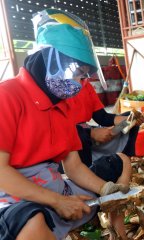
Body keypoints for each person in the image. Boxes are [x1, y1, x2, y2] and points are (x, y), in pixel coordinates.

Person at [0, 9, 128, 240]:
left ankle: (119, 236)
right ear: (50, 60)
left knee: (122, 161)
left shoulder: (63, 105)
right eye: (78, 73)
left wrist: (106, 190)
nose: (81, 82)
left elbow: (74, 167)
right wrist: (57, 201)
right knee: (32, 223)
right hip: (11, 194)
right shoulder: (7, 96)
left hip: (54, 185)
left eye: (85, 75)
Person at [67, 79, 144, 239]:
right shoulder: (59, 87)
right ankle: (94, 174)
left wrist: (131, 119)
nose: (83, 76)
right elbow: (63, 124)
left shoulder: (86, 84)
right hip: (76, 136)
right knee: (80, 134)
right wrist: (90, 132)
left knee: (129, 120)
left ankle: (123, 166)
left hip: (85, 130)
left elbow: (102, 117)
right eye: (80, 71)